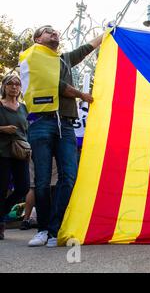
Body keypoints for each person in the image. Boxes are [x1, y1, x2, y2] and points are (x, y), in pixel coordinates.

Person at [23, 25, 102, 247]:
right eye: (47, 31)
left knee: (69, 176)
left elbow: (87, 48)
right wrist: (82, 95)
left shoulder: (64, 59)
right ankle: (42, 230)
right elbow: (55, 85)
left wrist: (108, 32)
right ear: (38, 38)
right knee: (42, 179)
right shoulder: (34, 57)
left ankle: (54, 229)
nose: (53, 33)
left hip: (65, 124)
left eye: (55, 31)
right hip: (41, 122)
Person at [0, 74, 30, 240]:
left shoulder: (23, 107)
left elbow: (27, 130)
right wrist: (3, 129)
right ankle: (1, 224)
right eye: (10, 84)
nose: (14, 87)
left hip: (20, 152)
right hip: (2, 152)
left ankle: (1, 212)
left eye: (17, 84)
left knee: (23, 187)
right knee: (2, 188)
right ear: (4, 86)